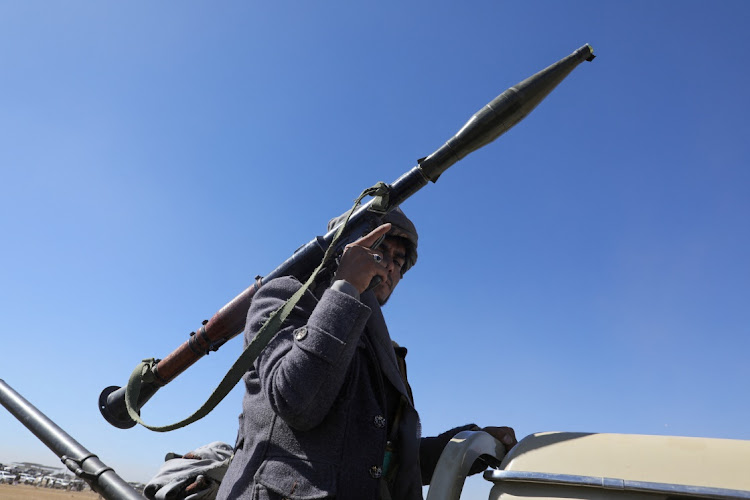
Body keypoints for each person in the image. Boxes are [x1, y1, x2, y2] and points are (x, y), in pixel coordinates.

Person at [216, 207, 516, 500]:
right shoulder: (282, 296)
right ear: (344, 250)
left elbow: (386, 461)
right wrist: (346, 287)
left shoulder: (384, 347)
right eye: (380, 250)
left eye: (399, 261)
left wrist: (470, 443)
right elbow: (296, 401)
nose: (390, 266)